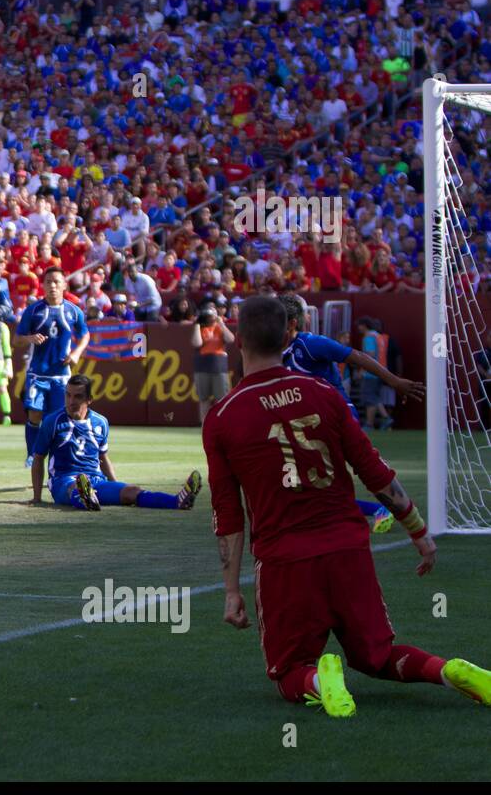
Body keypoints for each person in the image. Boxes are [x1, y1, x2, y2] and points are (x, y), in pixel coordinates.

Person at [203, 295, 491, 717]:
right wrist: (418, 531)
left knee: (287, 672)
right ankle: (447, 670)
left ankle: (322, 679)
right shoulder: (323, 392)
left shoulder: (222, 416)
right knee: (377, 656)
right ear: (288, 335)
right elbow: (374, 471)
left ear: (238, 339)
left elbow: (228, 516)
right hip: (346, 548)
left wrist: (231, 591)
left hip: (286, 560)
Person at [279, 294, 422, 533]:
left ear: (291, 323)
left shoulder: (311, 344)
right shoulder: (274, 352)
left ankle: (399, 513)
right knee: (306, 491)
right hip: (309, 425)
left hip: (337, 417)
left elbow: (357, 357)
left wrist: (394, 381)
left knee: (326, 485)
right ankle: (379, 510)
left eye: (275, 319)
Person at [29, 374, 202, 511]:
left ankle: (177, 501)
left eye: (78, 397)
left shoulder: (100, 422)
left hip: (96, 480)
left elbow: (103, 457)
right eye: (68, 395)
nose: (71, 401)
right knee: (75, 488)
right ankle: (86, 498)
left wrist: (116, 485)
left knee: (132, 492)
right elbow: (38, 459)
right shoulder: (52, 421)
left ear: (89, 399)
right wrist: (37, 497)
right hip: (63, 481)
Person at [16, 268, 90, 467]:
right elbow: (17, 339)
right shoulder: (33, 310)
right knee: (34, 414)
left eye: (57, 282)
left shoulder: (74, 310)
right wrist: (30, 338)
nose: (53, 286)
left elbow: (85, 334)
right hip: (37, 373)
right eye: (48, 282)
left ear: (64, 285)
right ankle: (32, 455)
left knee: (57, 418)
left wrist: (76, 353)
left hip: (61, 376)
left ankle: (57, 458)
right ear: (43, 285)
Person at [191, 302, 234, 422]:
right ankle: (204, 425)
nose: (210, 316)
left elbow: (231, 339)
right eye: (208, 313)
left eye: (213, 313)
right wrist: (197, 325)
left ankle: (221, 424)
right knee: (204, 399)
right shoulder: (201, 327)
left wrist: (221, 323)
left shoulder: (219, 327)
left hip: (219, 366)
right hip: (202, 366)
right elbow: (197, 343)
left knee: (221, 399)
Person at [356, 317, 392, 430]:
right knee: (375, 397)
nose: (358, 328)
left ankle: (369, 424)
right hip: (380, 371)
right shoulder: (378, 336)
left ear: (364, 325)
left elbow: (370, 354)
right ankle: (386, 418)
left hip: (371, 372)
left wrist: (362, 370)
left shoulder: (368, 338)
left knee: (369, 397)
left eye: (359, 325)